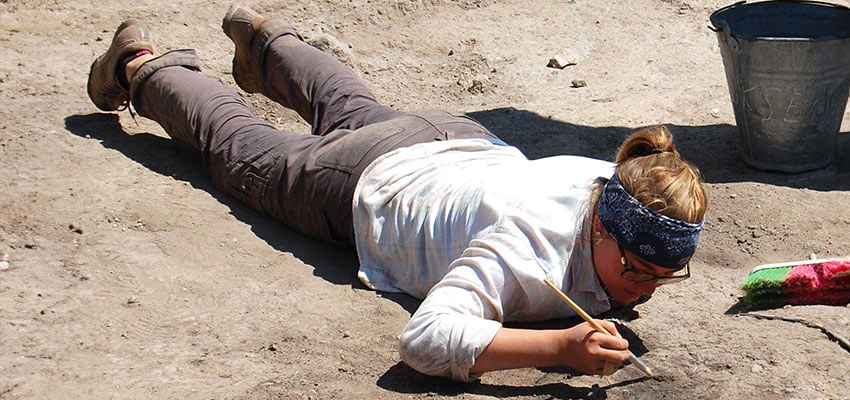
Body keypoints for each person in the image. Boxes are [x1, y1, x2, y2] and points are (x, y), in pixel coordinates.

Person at [87, 5, 707, 382]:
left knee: (354, 106)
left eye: (663, 276)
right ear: (601, 228)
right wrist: (557, 347)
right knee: (242, 152)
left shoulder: (622, 178)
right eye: (637, 269)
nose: (646, 289)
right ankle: (143, 67)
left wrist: (623, 278)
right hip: (368, 182)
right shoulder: (525, 250)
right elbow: (424, 341)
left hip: (454, 138)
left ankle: (270, 42)